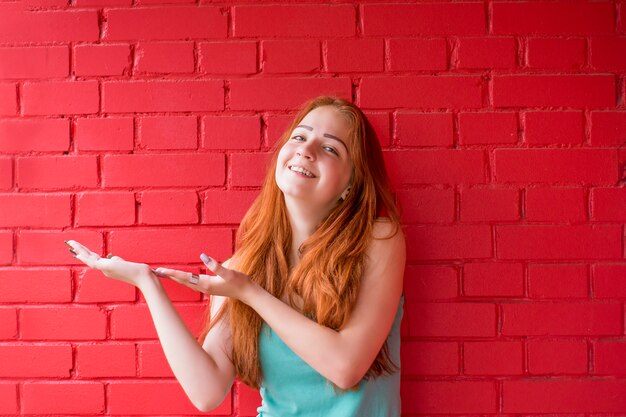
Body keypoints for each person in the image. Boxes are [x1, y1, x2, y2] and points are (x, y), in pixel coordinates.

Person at [66, 95, 406, 416]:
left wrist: (249, 293)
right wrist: (147, 284)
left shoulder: (377, 241)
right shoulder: (243, 269)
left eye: (330, 148)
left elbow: (345, 367)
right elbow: (207, 391)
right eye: (300, 137)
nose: (307, 150)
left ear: (351, 183)